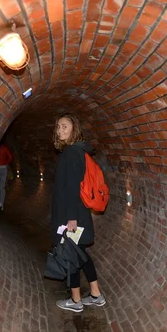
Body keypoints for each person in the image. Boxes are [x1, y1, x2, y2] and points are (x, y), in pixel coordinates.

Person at [51, 113, 105, 312]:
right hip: (78, 213)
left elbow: (72, 187)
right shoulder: (78, 151)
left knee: (70, 255)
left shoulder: (72, 152)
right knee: (80, 254)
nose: (60, 130)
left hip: (73, 216)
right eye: (58, 127)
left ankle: (75, 301)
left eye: (65, 126)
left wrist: (71, 218)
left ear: (75, 129)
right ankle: (96, 294)